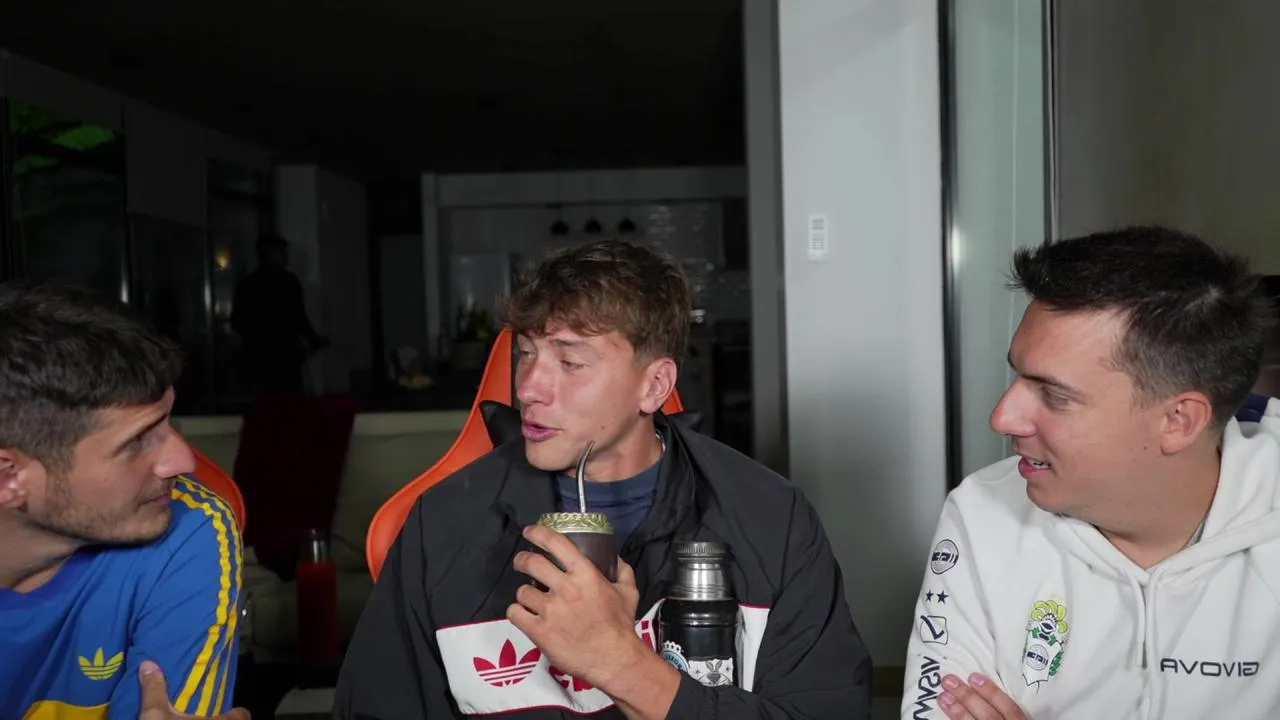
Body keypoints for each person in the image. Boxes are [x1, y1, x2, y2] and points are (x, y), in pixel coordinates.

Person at [335, 240, 872, 718]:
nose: (528, 388)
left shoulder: (770, 520)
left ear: (654, 385)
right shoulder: (444, 524)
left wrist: (619, 663)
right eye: (526, 355)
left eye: (570, 363)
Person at [900, 226, 1280, 720]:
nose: (1002, 417)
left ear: (1178, 421)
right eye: (1018, 376)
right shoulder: (983, 510)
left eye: (1054, 395)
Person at [0, 282, 245, 718]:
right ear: (8, 477)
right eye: (136, 441)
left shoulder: (188, 529)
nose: (184, 460)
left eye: (167, 422)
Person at [230, 233, 327, 396]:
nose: (285, 256)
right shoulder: (287, 282)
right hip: (282, 358)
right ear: (268, 254)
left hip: (261, 359)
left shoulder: (248, 285)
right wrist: (313, 340)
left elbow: (237, 322)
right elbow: (298, 317)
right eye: (281, 252)